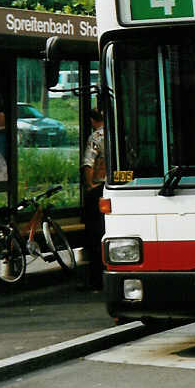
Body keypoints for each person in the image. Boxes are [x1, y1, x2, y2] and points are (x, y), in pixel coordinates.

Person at [80, 108, 106, 290]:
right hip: (116, 187)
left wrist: (89, 185)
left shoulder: (95, 137)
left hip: (98, 189)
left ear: (91, 120)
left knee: (94, 235)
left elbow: (89, 162)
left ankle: (96, 280)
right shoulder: (118, 134)